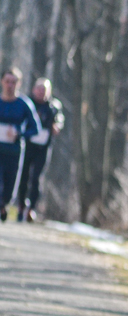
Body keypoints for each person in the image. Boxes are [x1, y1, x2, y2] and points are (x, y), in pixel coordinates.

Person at [16, 78, 63, 222]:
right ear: (34, 89)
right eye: (39, 89)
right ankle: (21, 207)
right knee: (23, 176)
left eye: (44, 89)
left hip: (43, 147)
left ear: (49, 92)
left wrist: (57, 126)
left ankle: (32, 209)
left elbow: (60, 119)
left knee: (37, 177)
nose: (41, 92)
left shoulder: (54, 106)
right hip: (27, 144)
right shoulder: (27, 103)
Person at [0, 67, 40, 222]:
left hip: (14, 151)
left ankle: (4, 205)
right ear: (2, 82)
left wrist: (19, 134)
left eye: (13, 82)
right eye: (7, 81)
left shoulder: (24, 104)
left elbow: (35, 128)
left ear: (19, 84)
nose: (10, 85)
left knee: (9, 186)